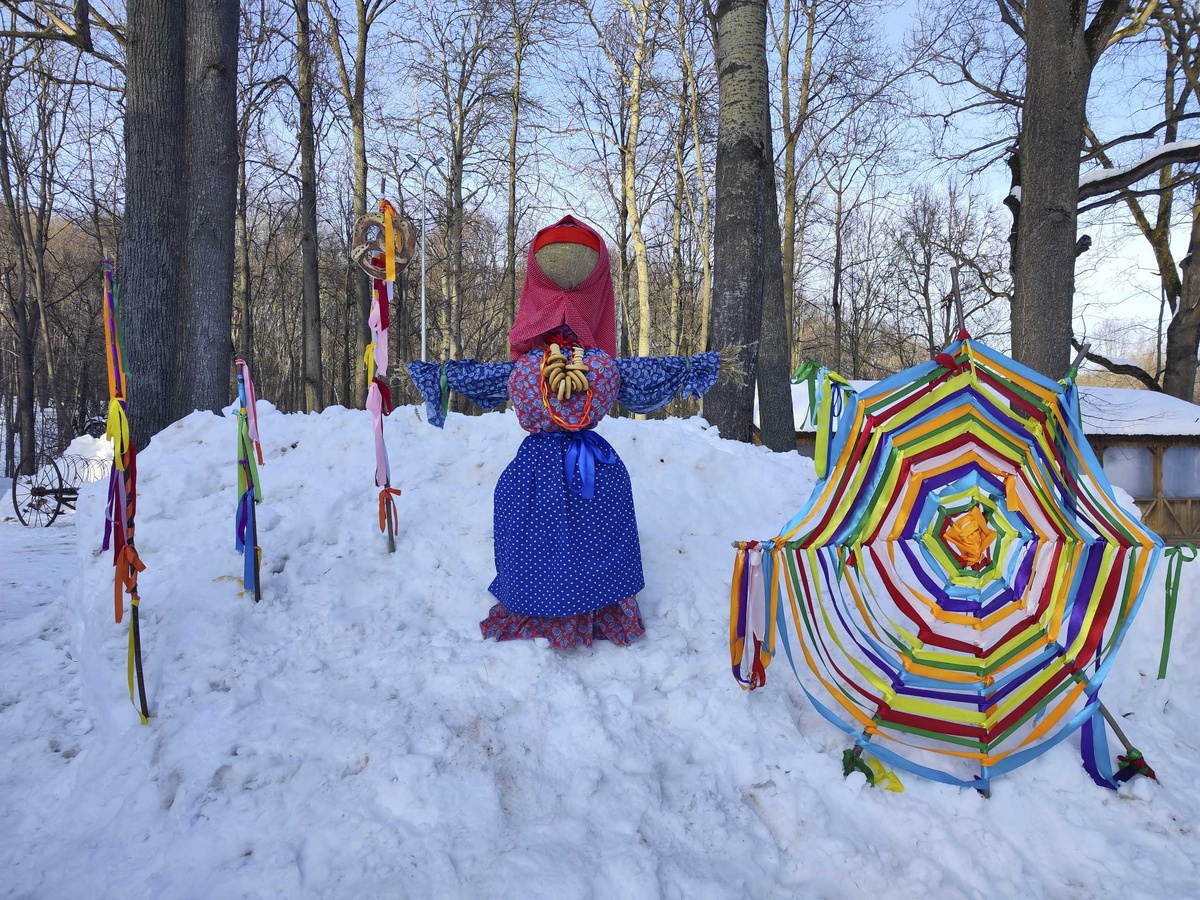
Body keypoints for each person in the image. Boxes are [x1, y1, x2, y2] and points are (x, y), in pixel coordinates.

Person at [408, 215, 718, 648]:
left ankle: (542, 602)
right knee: (595, 533)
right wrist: (691, 369)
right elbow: (652, 376)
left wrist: (437, 376)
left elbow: (478, 379)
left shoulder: (524, 371)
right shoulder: (605, 368)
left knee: (540, 536)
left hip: (537, 467)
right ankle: (595, 605)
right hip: (594, 462)